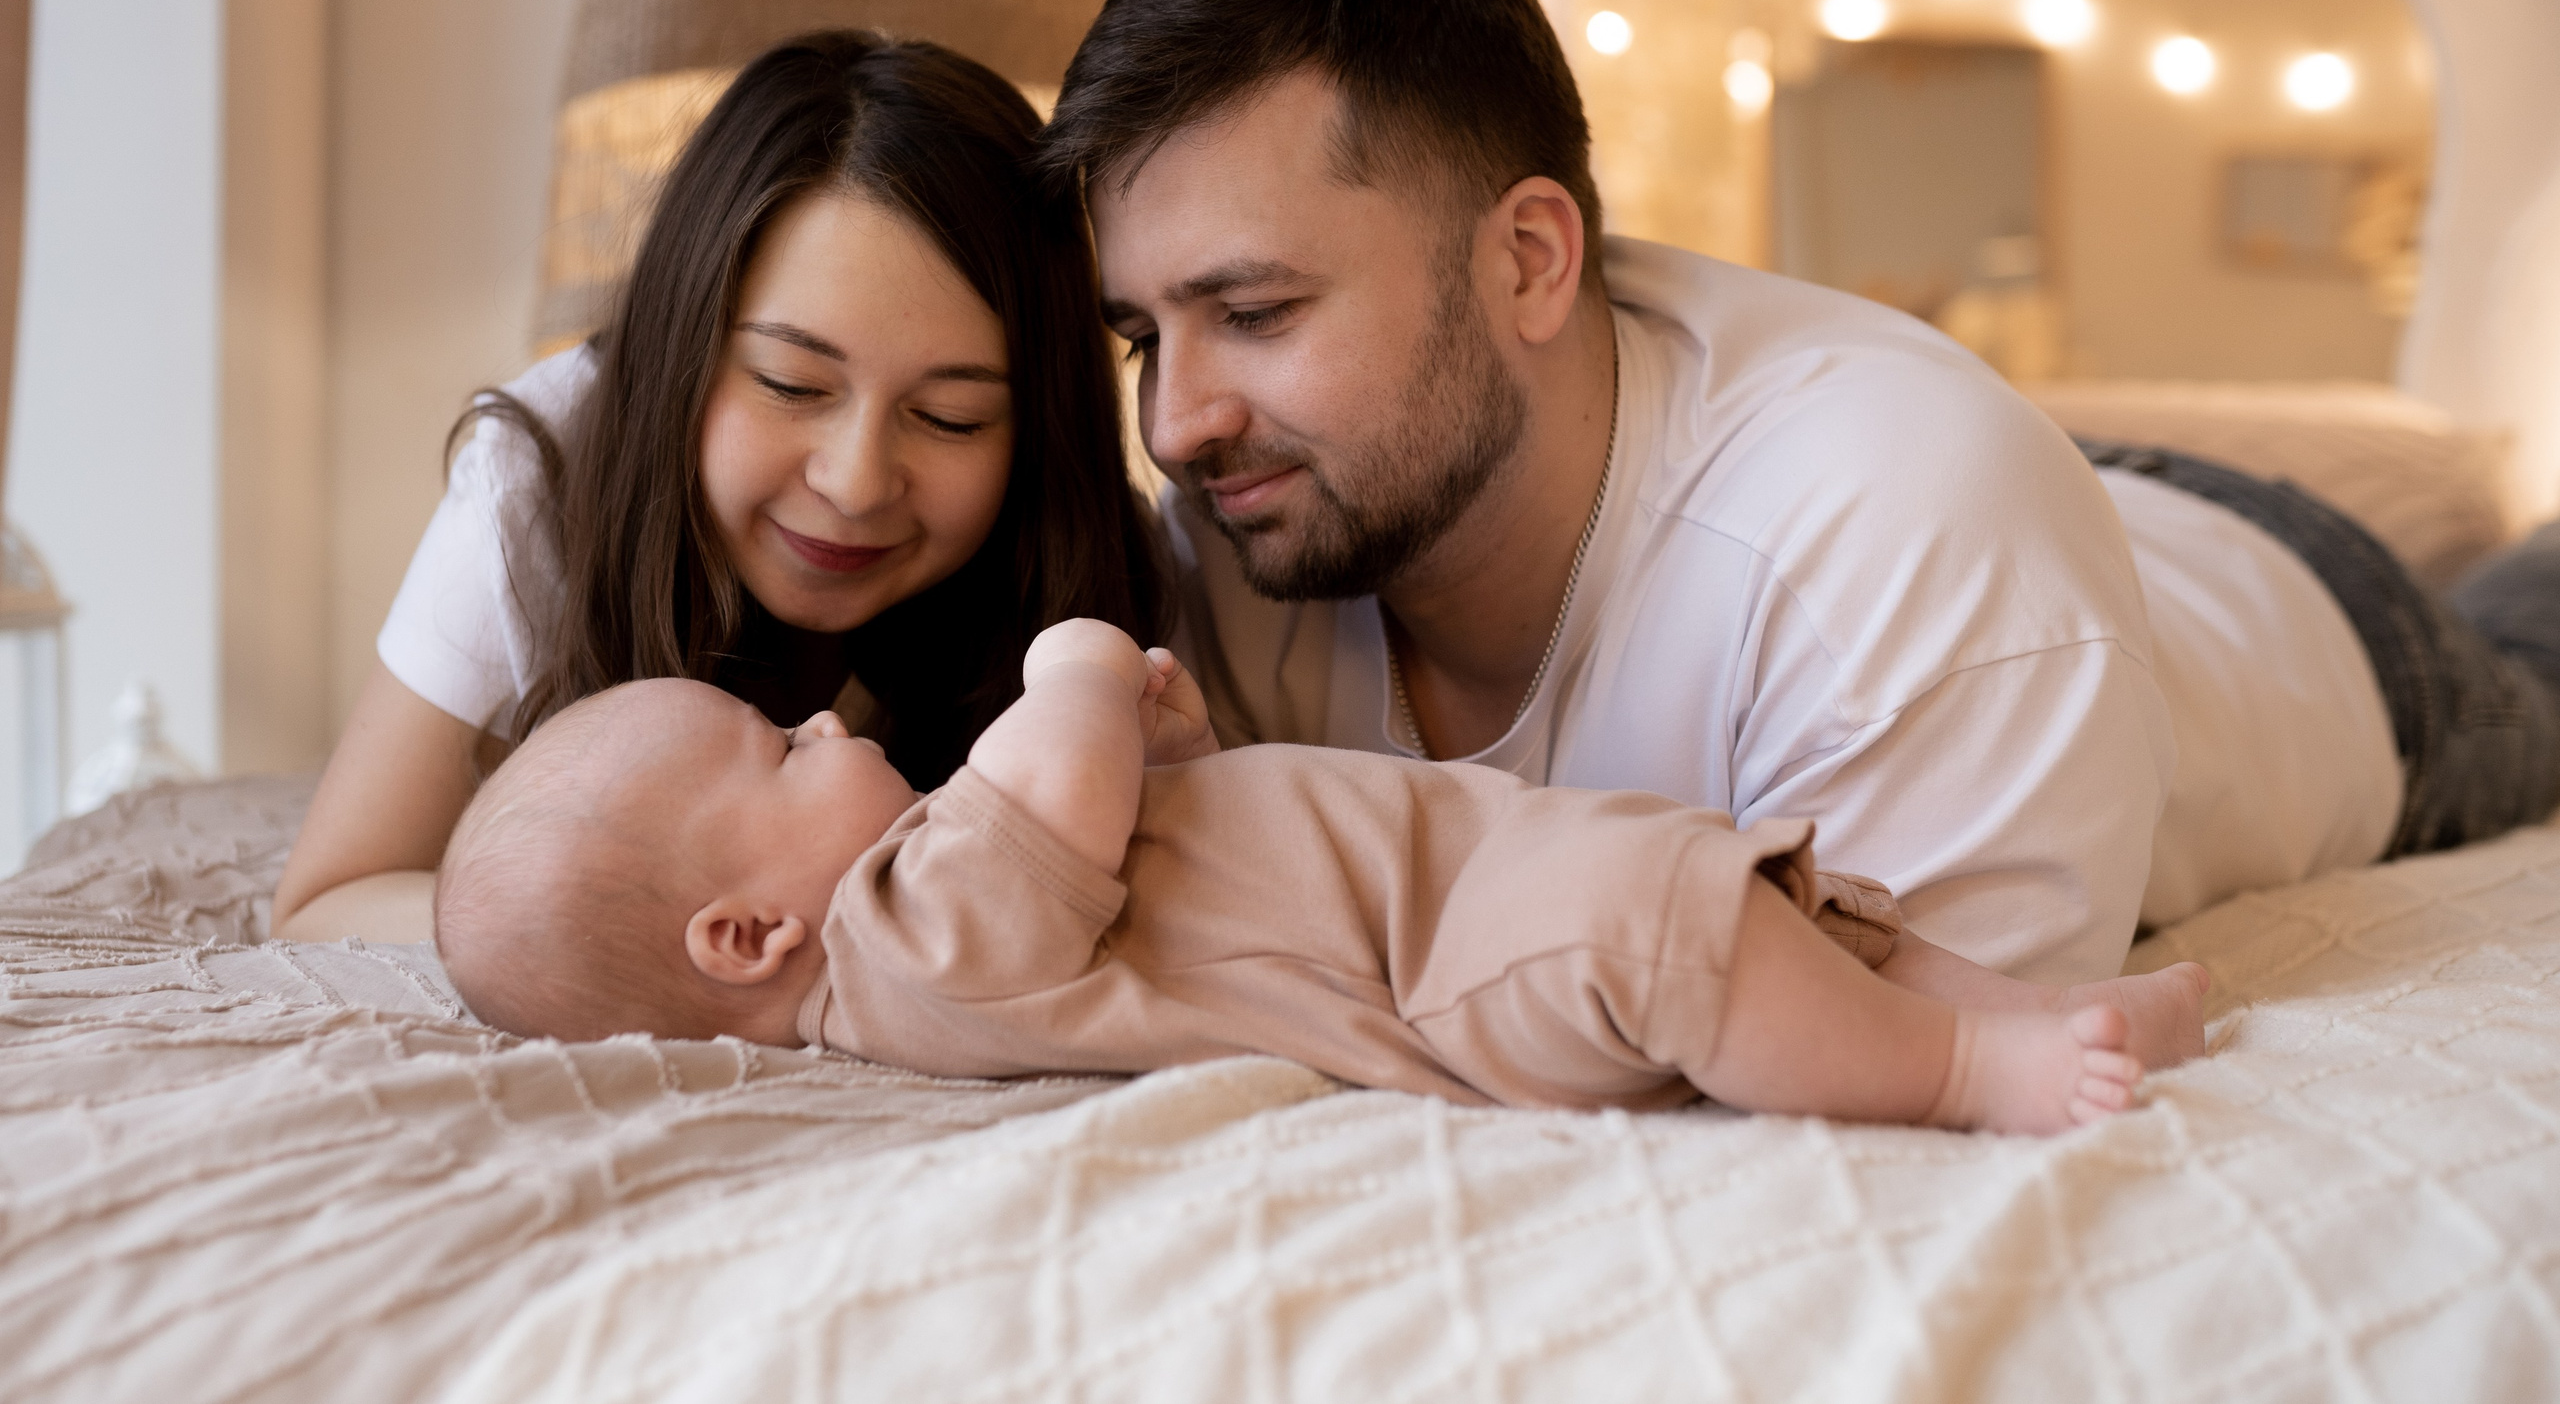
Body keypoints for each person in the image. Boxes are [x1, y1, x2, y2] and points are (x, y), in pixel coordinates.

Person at [1038, 0, 2560, 985]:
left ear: (1527, 260)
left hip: (2301, 620)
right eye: (1141, 336)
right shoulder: (1252, 526)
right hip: (2064, 520)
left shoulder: (1904, 545)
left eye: (1255, 312)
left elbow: (1890, 1081)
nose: (1178, 423)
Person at [434, 619, 2211, 1134]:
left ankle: (2043, 1007)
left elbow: (1143, 879)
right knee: (1703, 957)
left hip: (1475, 872)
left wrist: (1173, 757)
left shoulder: (961, 910)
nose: (823, 717)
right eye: (775, 754)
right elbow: (1048, 785)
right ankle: (1970, 1071)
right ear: (747, 933)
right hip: (1450, 958)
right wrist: (1071, 669)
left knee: (1789, 916)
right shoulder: (904, 940)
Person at [270, 31, 1165, 944]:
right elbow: (327, 901)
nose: (854, 484)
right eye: (791, 385)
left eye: (950, 417)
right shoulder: (543, 479)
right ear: (680, 349)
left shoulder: (1081, 562)